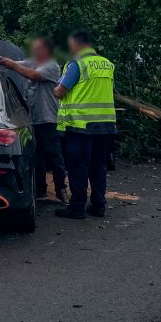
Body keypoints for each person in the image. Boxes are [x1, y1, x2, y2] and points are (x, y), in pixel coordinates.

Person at [0, 37, 67, 203]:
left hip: (47, 119)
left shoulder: (50, 65)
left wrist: (13, 65)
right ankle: (40, 191)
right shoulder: (35, 61)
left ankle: (62, 190)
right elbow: (19, 63)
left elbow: (31, 74)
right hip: (33, 119)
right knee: (36, 156)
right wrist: (0, 59)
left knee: (54, 155)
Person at [53, 30, 116, 219]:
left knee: (78, 167)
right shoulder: (107, 64)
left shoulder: (76, 64)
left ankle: (77, 207)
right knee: (99, 166)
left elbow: (60, 91)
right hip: (105, 126)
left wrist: (55, 87)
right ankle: (99, 205)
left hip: (80, 125)